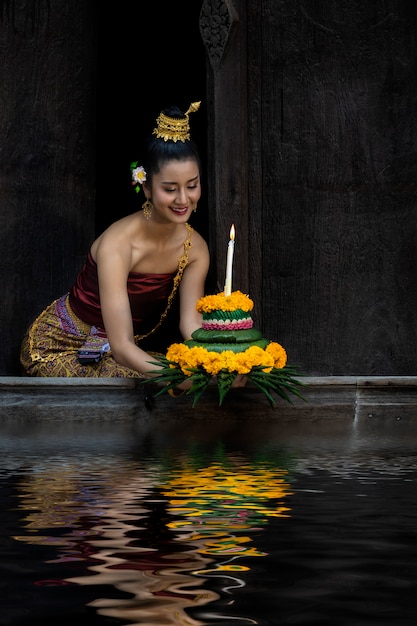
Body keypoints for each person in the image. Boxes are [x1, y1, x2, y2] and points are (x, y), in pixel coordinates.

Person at [20, 102, 210, 385]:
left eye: (192, 185)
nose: (183, 199)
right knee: (156, 381)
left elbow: (191, 324)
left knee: (197, 376)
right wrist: (178, 377)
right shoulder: (118, 244)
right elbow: (122, 346)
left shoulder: (194, 248)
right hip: (58, 348)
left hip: (114, 353)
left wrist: (222, 358)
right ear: (146, 186)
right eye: (170, 189)